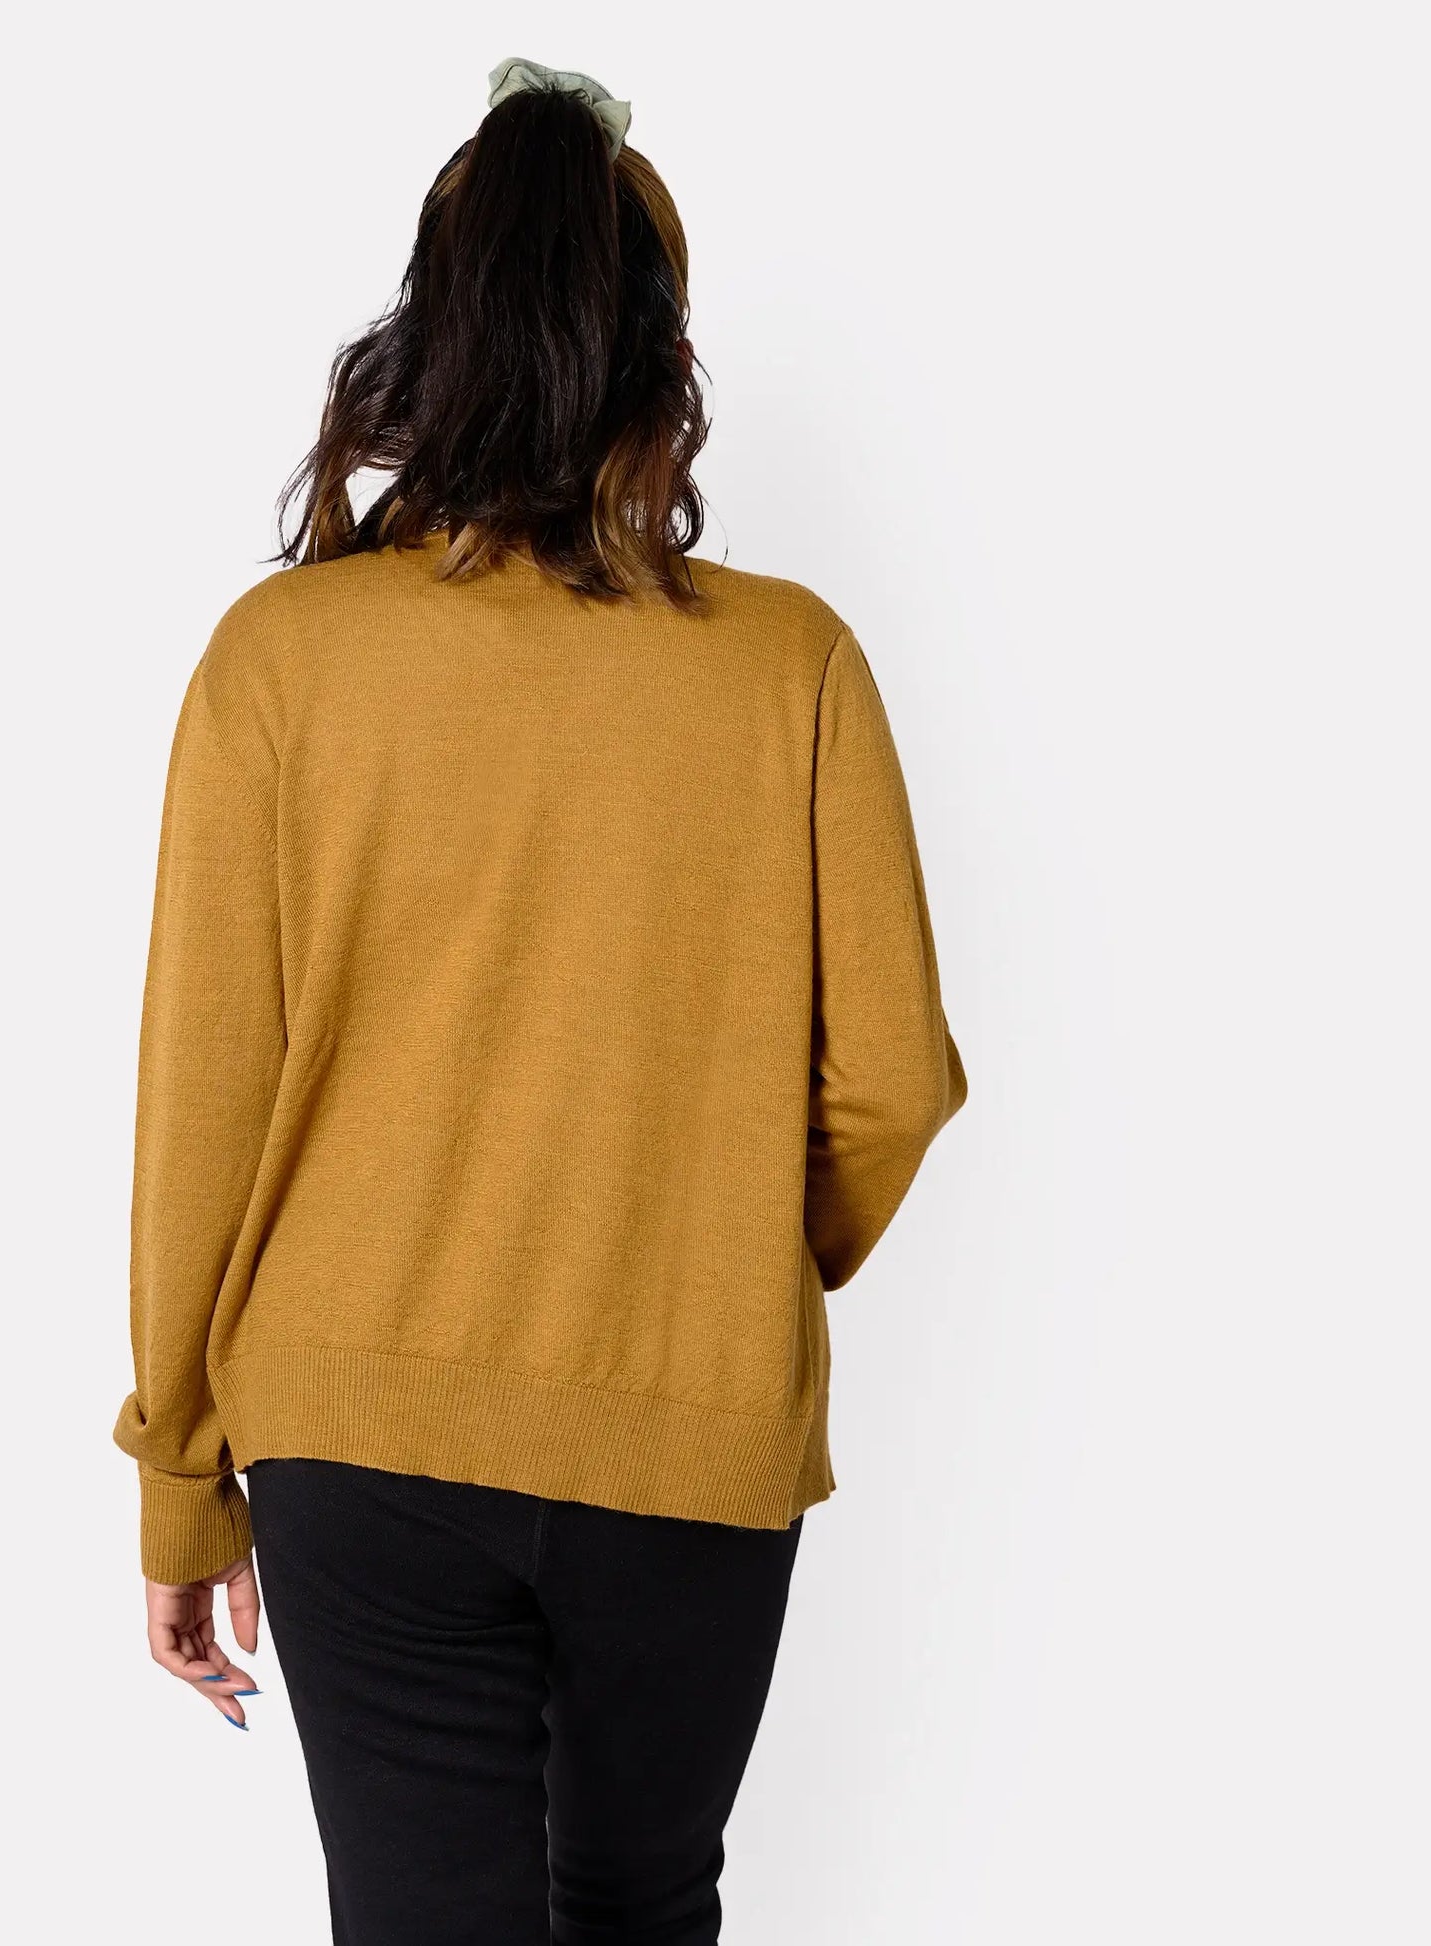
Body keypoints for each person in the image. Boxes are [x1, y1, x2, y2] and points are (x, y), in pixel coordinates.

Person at [112, 56, 965, 1945]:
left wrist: (179, 1471)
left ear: (432, 335)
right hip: (689, 1429)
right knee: (641, 1906)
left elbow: (202, 1108)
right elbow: (895, 1084)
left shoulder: (277, 662)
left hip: (352, 1435)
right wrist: (724, 1259)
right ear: (663, 357)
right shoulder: (793, 667)